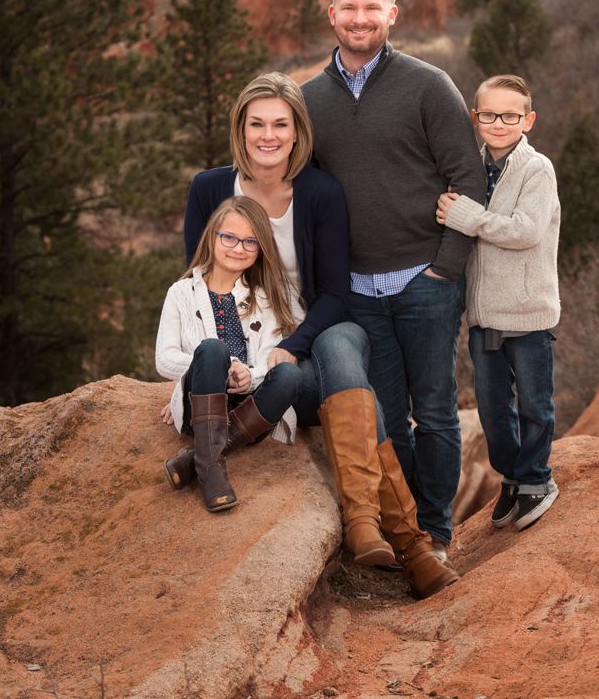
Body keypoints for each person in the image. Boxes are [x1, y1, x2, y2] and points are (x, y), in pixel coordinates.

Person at [181, 72, 455, 597]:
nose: (268, 135)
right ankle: (410, 543)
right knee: (364, 393)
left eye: (280, 124)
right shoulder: (210, 189)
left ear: (297, 130)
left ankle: (365, 526)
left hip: (305, 348)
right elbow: (199, 284)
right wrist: (210, 371)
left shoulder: (320, 192)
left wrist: (291, 346)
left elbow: (332, 293)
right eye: (256, 123)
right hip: (251, 367)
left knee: (343, 341)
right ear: (240, 128)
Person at [302, 0, 487, 555]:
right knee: (384, 417)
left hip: (423, 282)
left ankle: (436, 531)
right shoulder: (308, 100)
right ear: (332, 14)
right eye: (349, 8)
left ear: (392, 14)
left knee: (434, 410)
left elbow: (468, 176)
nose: (360, 19)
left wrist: (447, 267)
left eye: (371, 8)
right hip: (356, 288)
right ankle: (402, 530)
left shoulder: (428, 85)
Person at [436, 74, 560, 531]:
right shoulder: (471, 166)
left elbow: (526, 230)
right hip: (484, 313)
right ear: (476, 117)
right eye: (488, 114)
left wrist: (468, 217)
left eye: (510, 116)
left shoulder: (536, 169)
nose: (498, 123)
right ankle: (512, 475)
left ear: (528, 120)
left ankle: (536, 478)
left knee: (533, 402)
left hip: (528, 311)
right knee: (492, 407)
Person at [156, 195, 303, 511]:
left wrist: (250, 374)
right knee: (212, 350)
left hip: (249, 405)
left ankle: (199, 458)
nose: (239, 248)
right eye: (230, 238)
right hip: (203, 402)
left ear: (261, 248)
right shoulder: (181, 293)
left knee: (290, 375)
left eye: (251, 242)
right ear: (212, 237)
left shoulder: (264, 298)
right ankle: (211, 471)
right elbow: (164, 358)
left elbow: (269, 357)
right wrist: (218, 364)